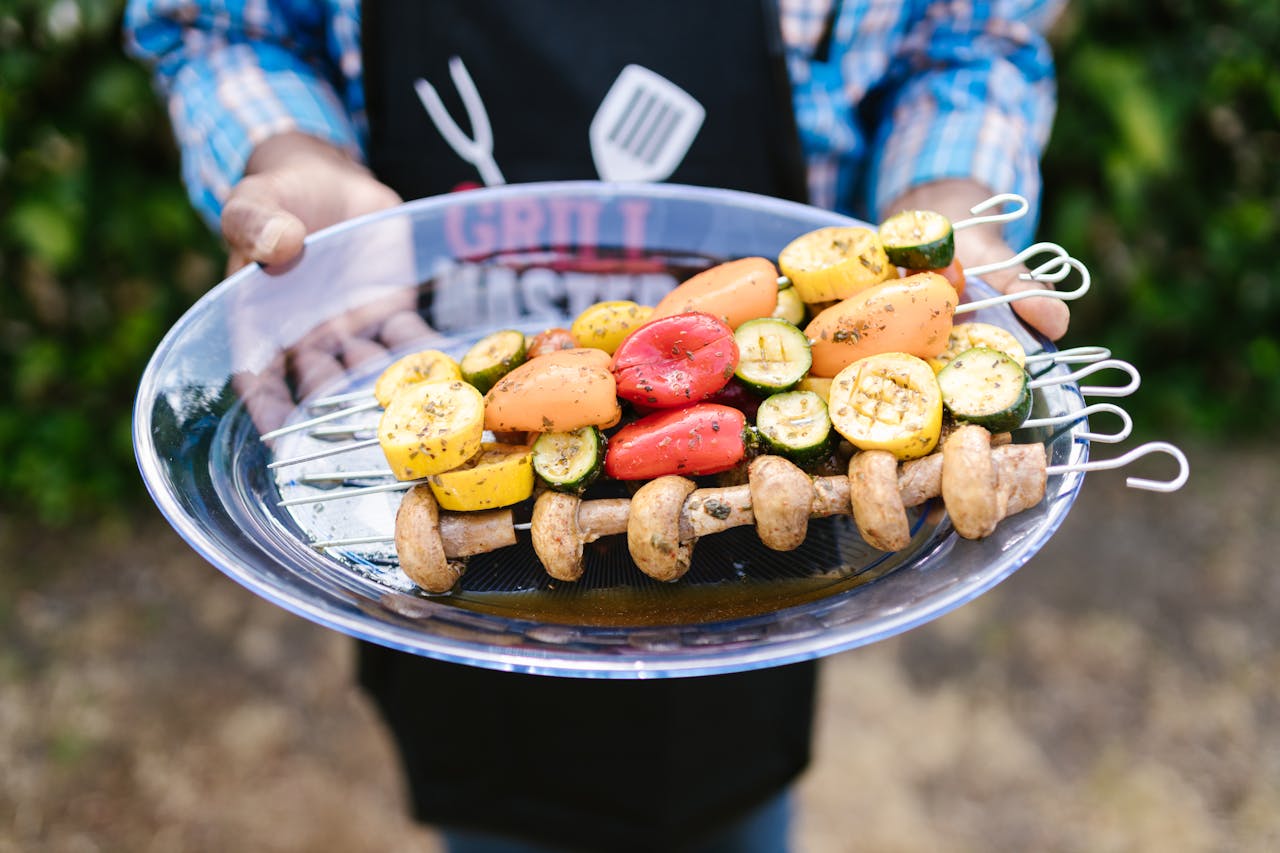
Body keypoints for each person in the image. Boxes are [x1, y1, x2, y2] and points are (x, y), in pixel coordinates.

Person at [125, 2, 1069, 851]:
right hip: (412, 370)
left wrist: (947, 206)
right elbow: (225, 25)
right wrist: (294, 152)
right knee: (486, 797)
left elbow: (965, 39)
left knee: (731, 795)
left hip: (757, 551)